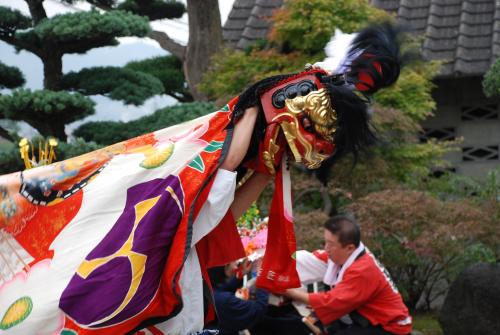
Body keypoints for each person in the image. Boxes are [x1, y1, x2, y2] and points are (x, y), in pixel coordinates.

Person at [285, 215, 412, 335]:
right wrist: (275, 261)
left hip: (389, 327)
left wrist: (293, 294)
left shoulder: (363, 269)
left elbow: (333, 302)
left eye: (331, 244)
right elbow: (309, 259)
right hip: (365, 320)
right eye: (326, 242)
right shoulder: (346, 255)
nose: (326, 248)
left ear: (350, 248)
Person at [207, 260, 269, 335]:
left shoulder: (208, 288)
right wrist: (262, 276)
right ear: (224, 266)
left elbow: (221, 289)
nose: (236, 266)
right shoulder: (224, 300)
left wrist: (241, 274)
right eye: (233, 261)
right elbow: (258, 309)